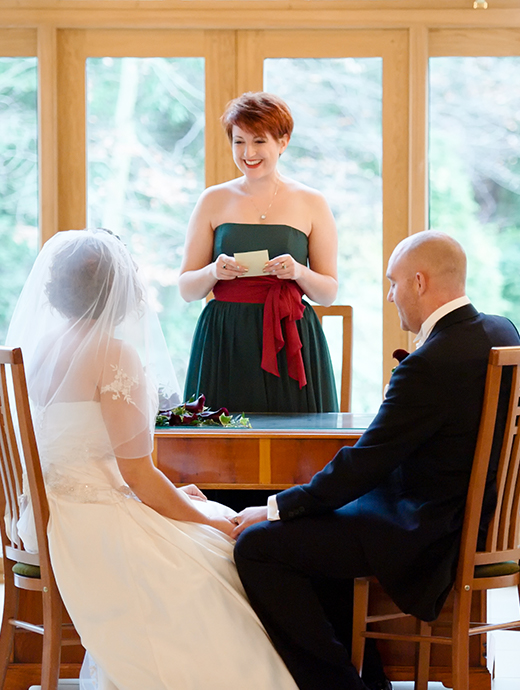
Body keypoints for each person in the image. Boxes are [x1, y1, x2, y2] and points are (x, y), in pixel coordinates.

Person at [6, 229, 298, 690]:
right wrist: (214, 523)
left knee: (208, 514)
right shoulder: (112, 353)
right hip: (87, 521)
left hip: (47, 512)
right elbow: (139, 476)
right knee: (220, 545)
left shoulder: (42, 348)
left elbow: (87, 457)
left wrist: (174, 499)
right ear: (117, 291)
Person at [231, 230, 520, 690]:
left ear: (420, 283)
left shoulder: (430, 364)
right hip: (474, 518)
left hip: (429, 530)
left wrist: (275, 506)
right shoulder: (501, 329)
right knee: (323, 521)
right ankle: (370, 679)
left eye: (393, 283)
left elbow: (366, 462)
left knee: (258, 547)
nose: (390, 296)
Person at [179, 91, 339, 413]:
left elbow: (328, 293)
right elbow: (186, 289)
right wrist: (214, 271)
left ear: (283, 141)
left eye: (258, 141)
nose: (248, 153)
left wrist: (298, 271)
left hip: (290, 333)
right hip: (225, 337)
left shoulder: (312, 202)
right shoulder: (212, 200)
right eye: (238, 142)